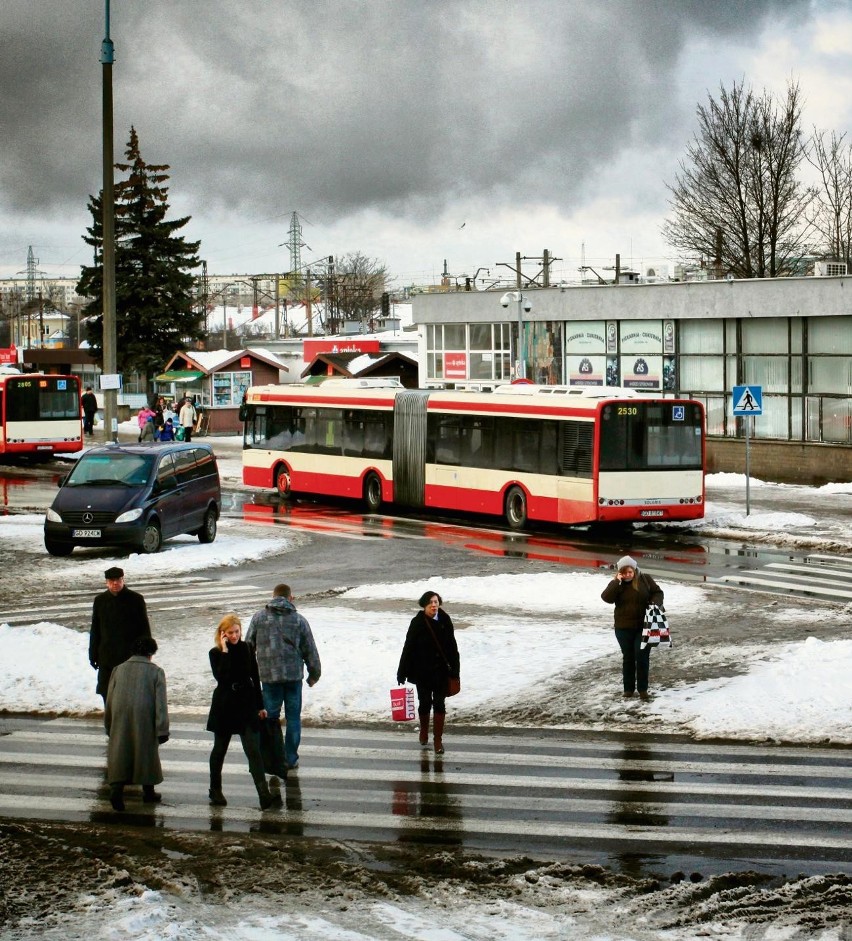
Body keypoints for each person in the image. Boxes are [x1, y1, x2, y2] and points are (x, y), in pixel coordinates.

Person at [206, 614, 282, 810]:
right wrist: (224, 650)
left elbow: (255, 677)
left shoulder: (247, 648)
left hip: (246, 703)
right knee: (219, 749)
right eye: (230, 633)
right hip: (225, 704)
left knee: (253, 751)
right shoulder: (215, 653)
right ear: (222, 634)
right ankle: (215, 790)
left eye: (237, 631)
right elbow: (221, 677)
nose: (234, 636)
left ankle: (263, 795)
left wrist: (260, 705)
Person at [245, 584, 321, 774]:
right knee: (293, 718)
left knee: (271, 719)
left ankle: (272, 757)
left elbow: (247, 648)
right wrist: (314, 674)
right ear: (290, 598)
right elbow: (310, 650)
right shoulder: (299, 620)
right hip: (293, 677)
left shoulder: (258, 618)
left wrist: (249, 675)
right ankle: (290, 759)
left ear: (273, 596)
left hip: (269, 678)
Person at [104, 635, 169, 811]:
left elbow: (109, 699)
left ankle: (116, 790)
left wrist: (109, 723)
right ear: (150, 654)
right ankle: (149, 792)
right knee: (146, 753)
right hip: (144, 716)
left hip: (121, 715)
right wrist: (162, 729)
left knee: (121, 753)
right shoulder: (156, 671)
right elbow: (161, 705)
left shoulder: (118, 670)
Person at [397, 590, 460, 755]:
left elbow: (453, 648)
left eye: (436, 602)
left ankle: (438, 740)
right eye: (431, 602)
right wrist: (401, 672)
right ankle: (424, 731)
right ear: (424, 605)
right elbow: (408, 648)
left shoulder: (445, 620)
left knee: (439, 704)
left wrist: (456, 671)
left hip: (441, 673)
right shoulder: (417, 622)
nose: (434, 605)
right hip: (422, 672)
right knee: (424, 703)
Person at [601, 555, 664, 701]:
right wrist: (617, 582)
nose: (628, 575)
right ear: (620, 572)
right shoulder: (617, 584)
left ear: (634, 570)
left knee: (641, 657)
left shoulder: (645, 579)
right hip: (623, 628)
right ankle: (628, 689)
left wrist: (654, 602)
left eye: (630, 572)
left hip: (644, 626)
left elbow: (658, 592)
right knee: (628, 658)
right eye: (624, 572)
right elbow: (606, 598)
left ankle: (643, 690)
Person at [89, 567, 152, 704]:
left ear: (123, 580)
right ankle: (111, 722)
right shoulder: (100, 601)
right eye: (112, 581)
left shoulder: (136, 599)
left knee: (129, 694)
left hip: (129, 656)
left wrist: (147, 652)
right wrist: (93, 654)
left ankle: (128, 722)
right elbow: (95, 629)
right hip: (106, 656)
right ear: (107, 582)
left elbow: (144, 628)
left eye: (118, 580)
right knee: (107, 693)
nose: (115, 583)